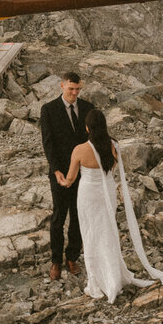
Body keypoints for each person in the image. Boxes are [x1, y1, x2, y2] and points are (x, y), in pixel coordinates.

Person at [57, 108, 163, 303]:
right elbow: (111, 171)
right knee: (108, 232)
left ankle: (98, 281)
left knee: (91, 234)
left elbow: (69, 180)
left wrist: (59, 177)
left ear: (87, 128)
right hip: (107, 193)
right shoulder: (114, 146)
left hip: (88, 195)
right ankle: (113, 275)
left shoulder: (80, 150)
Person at [40, 71, 93, 280]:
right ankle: (55, 261)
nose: (74, 93)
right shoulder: (49, 110)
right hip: (60, 173)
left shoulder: (88, 108)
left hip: (83, 173)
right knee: (58, 217)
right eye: (71, 89)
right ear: (62, 86)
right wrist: (56, 170)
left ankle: (72, 257)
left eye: (78, 89)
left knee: (79, 216)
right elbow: (48, 142)